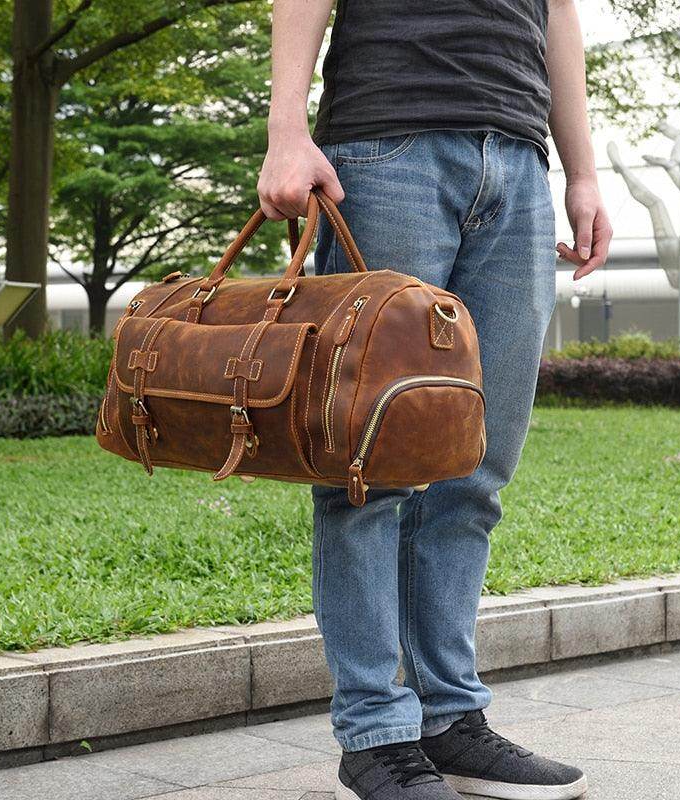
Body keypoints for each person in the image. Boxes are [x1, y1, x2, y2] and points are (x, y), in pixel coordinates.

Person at [257, 2, 612, 799]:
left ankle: (447, 721)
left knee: (475, 469)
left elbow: (556, 14)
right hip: (387, 150)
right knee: (368, 467)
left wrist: (582, 171)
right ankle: (377, 735)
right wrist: (287, 130)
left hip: (519, 163)